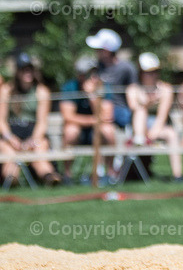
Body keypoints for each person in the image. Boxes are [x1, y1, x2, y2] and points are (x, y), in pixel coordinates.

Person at [0, 53, 62, 186]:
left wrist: (32, 140)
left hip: (33, 134)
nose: (27, 72)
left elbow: (42, 122)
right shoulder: (6, 90)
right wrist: (10, 138)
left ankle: (49, 177)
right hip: (11, 135)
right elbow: (1, 120)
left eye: (30, 69)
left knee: (40, 147)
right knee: (7, 151)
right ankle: (11, 180)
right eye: (24, 69)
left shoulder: (42, 91)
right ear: (17, 71)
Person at [126, 52, 182, 180]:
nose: (153, 75)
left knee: (172, 134)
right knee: (141, 112)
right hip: (137, 129)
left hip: (157, 128)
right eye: (149, 72)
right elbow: (134, 108)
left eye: (155, 71)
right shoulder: (133, 89)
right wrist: (148, 103)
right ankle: (141, 141)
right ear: (141, 72)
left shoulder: (166, 89)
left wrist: (150, 137)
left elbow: (162, 116)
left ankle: (177, 176)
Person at [59, 55, 115, 181]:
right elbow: (68, 117)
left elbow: (107, 116)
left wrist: (92, 96)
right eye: (89, 73)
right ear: (80, 75)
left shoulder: (103, 87)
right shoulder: (70, 87)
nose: (93, 77)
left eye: (95, 72)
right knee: (70, 131)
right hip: (80, 130)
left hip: (97, 131)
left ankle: (110, 174)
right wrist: (92, 120)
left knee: (108, 130)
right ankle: (67, 175)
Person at [86, 28, 136, 131]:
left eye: (99, 49)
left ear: (107, 50)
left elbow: (134, 91)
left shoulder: (127, 68)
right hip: (98, 109)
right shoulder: (94, 67)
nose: (96, 51)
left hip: (120, 111)